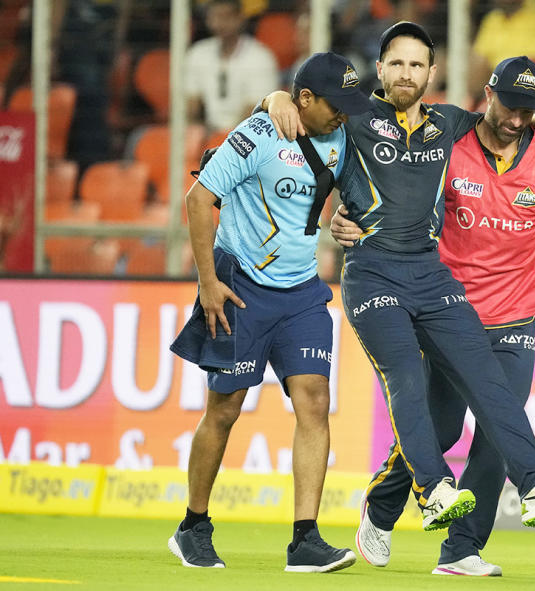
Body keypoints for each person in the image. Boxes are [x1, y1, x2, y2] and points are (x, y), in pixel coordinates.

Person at [264, 22, 535, 539]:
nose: (406, 73)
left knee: (488, 381)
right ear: (379, 69)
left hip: (430, 273)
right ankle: (433, 489)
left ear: (432, 73)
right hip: (372, 273)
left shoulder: (450, 122)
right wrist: (277, 94)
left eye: (417, 65)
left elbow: (510, 113)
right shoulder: (351, 117)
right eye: (396, 63)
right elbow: (302, 105)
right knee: (407, 379)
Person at [328, 56, 535, 576]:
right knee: (440, 434)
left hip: (515, 322)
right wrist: (349, 215)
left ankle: (461, 550)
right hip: (445, 312)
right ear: (488, 93)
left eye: (529, 111)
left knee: (496, 437)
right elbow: (397, 189)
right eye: (510, 106)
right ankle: (380, 509)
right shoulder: (449, 139)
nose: (517, 120)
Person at [167, 52, 371, 573]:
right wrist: (207, 283)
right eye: (335, 104)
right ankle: (192, 525)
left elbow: (355, 195)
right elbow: (197, 199)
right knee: (225, 409)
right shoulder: (257, 134)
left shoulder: (341, 135)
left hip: (302, 292)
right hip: (241, 291)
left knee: (314, 402)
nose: (344, 114)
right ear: (304, 98)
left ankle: (305, 540)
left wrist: (351, 218)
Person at [185, 0, 279, 131]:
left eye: (226, 17)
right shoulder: (197, 53)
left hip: (249, 136)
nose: (220, 23)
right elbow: (189, 106)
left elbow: (256, 112)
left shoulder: (261, 57)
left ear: (240, 18)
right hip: (207, 135)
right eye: (215, 16)